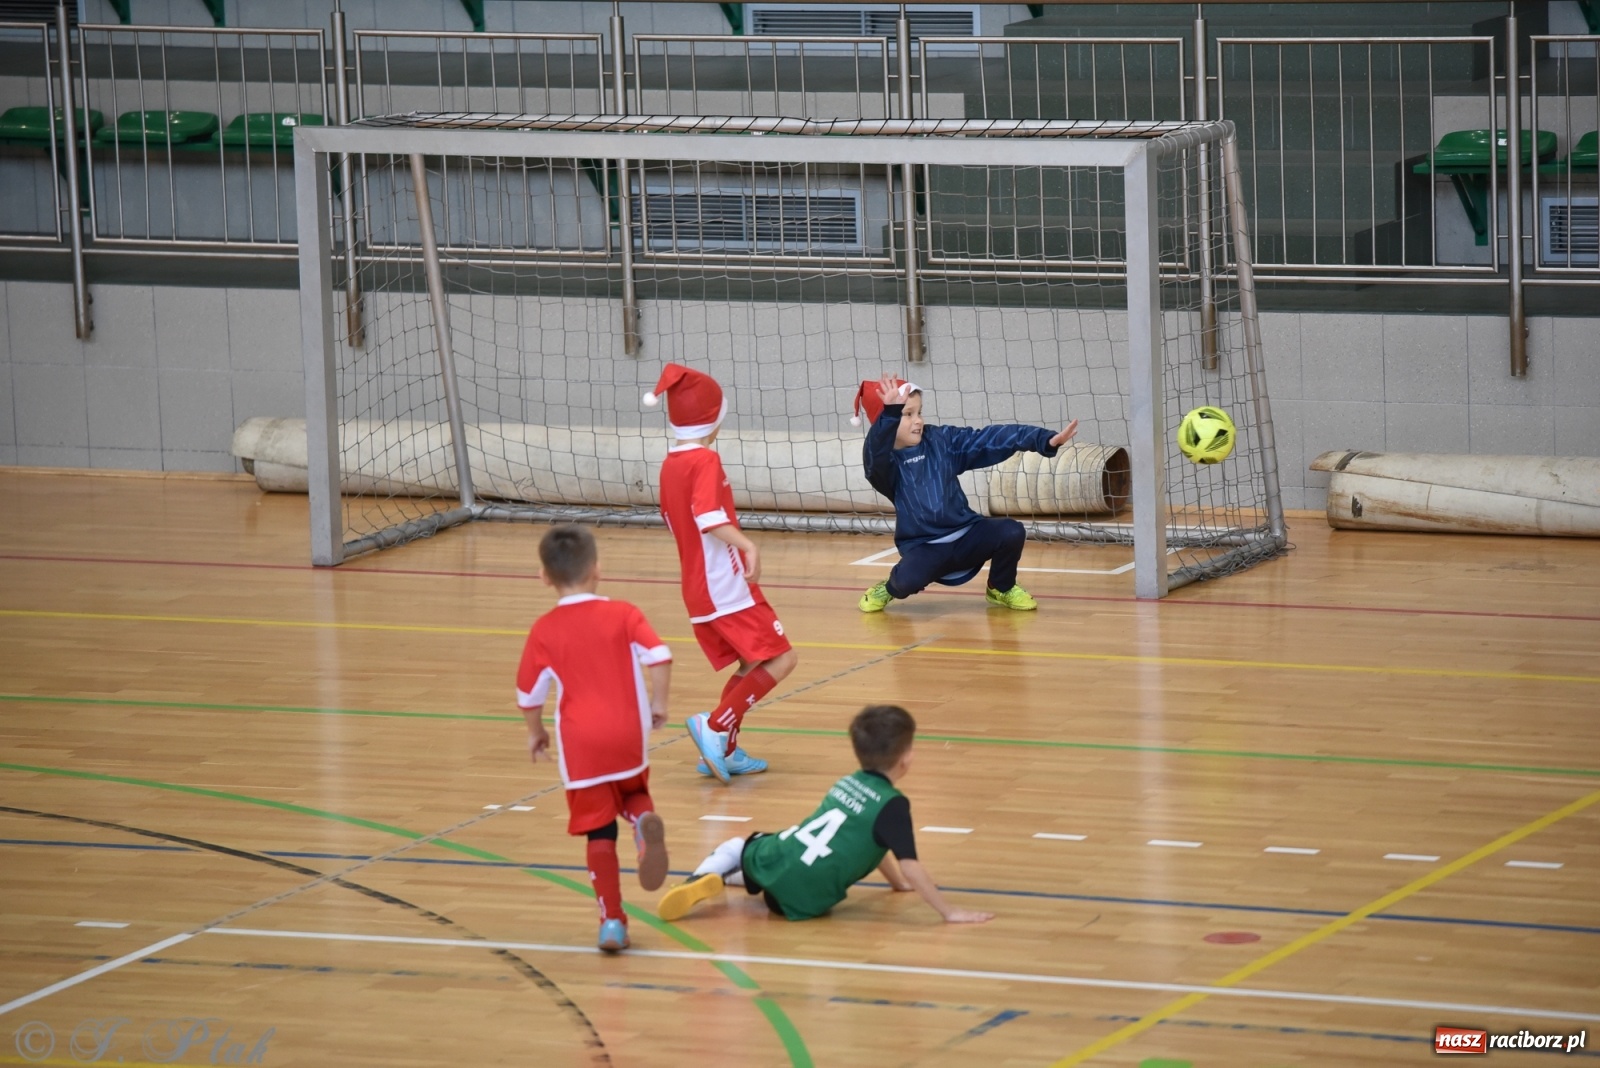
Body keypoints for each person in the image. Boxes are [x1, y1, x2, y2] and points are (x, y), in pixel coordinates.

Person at [657, 704, 994, 925]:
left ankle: (706, 877)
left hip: (781, 860)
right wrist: (949, 912)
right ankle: (725, 880)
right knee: (778, 866)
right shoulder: (892, 804)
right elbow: (905, 859)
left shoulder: (848, 782)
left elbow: (876, 843)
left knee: (736, 846)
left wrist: (897, 884)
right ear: (906, 759)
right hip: (808, 900)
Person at [516, 524, 673, 952]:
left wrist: (536, 734)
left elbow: (528, 696)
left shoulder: (544, 630)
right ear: (597, 569)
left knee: (599, 833)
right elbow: (660, 656)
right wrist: (659, 704)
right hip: (628, 734)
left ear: (544, 577)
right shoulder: (624, 613)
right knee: (633, 791)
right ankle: (642, 823)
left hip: (581, 746)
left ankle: (613, 923)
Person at [645, 363, 798, 785]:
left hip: (697, 587)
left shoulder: (670, 464)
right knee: (783, 658)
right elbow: (708, 517)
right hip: (724, 585)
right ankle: (714, 727)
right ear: (713, 418)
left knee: (754, 661)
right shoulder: (705, 460)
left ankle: (725, 749)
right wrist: (747, 544)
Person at [852, 373, 1078, 613]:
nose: (918, 421)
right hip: (925, 548)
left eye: (919, 412)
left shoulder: (940, 440)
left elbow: (986, 439)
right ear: (884, 422)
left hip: (968, 535)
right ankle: (887, 589)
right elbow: (875, 453)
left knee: (1011, 531)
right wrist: (889, 415)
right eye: (907, 414)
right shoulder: (884, 467)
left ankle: (1000, 587)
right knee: (905, 581)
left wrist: (1042, 439)